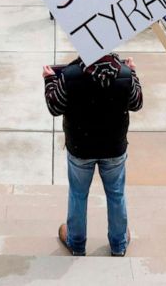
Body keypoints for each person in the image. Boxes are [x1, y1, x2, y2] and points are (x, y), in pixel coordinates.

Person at [43, 54, 142, 258]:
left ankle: (77, 243)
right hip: (114, 147)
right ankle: (118, 244)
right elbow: (137, 103)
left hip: (81, 147)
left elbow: (55, 107)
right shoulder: (124, 74)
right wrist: (133, 73)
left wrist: (49, 80)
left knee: (78, 194)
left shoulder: (70, 75)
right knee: (116, 194)